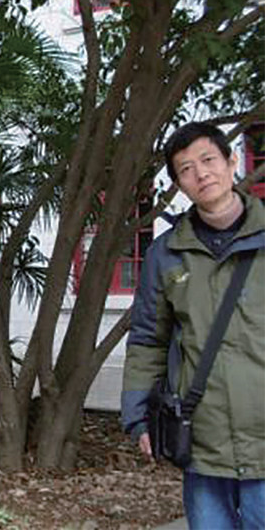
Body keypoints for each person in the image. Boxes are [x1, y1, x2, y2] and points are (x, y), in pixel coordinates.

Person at [121, 121, 265, 529]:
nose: (201, 174)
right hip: (202, 438)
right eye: (186, 169)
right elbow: (148, 339)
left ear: (232, 162)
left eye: (208, 160)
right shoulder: (166, 254)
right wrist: (138, 416)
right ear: (178, 184)